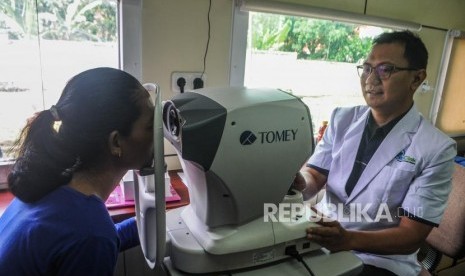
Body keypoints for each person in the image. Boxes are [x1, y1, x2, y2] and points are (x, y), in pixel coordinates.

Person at [294, 31, 456, 275]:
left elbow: (411, 236)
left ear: (416, 78)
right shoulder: (342, 119)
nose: (370, 79)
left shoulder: (435, 148)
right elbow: (315, 176)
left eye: (385, 69)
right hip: (324, 238)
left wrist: (348, 239)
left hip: (379, 258)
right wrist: (298, 183)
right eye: (367, 68)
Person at [0, 67, 154, 275]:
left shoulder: (49, 183)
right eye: (150, 125)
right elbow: (89, 240)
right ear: (116, 142)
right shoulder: (91, 232)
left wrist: (149, 223)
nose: (157, 134)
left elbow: (77, 243)